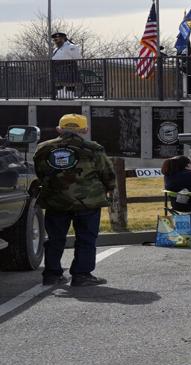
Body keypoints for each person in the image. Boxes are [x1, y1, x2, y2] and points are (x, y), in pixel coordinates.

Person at [33, 114, 113, 287]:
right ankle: (82, 275)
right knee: (86, 238)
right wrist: (109, 187)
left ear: (59, 129)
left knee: (54, 238)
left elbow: (39, 172)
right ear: (85, 130)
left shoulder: (43, 148)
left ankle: (52, 275)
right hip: (88, 202)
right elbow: (107, 174)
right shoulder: (93, 148)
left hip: (56, 201)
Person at [50, 33, 82, 100]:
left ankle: (70, 95)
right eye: (55, 40)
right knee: (58, 82)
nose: (56, 41)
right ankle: (60, 95)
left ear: (63, 39)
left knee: (70, 82)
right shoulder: (56, 49)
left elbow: (77, 57)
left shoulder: (70, 46)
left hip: (68, 66)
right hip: (57, 67)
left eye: (57, 40)